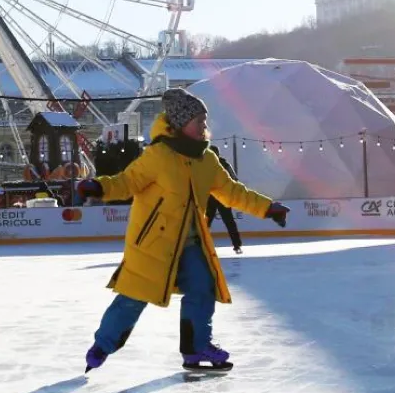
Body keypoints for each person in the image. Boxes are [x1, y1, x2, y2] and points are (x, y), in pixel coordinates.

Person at [77, 89, 289, 372]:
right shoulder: (158, 156)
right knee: (134, 297)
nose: (204, 126)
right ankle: (102, 346)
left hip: (190, 244)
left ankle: (196, 347)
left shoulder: (207, 160)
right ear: (180, 123)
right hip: (153, 243)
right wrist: (99, 186)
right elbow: (127, 182)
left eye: (205, 121)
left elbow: (232, 192)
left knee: (203, 289)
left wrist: (268, 208)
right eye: (198, 121)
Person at [205, 146, 243, 254]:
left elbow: (234, 179)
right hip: (213, 197)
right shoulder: (206, 164)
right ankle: (236, 246)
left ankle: (237, 245)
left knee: (227, 221)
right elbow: (235, 179)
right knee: (208, 223)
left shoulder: (223, 164)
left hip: (220, 197)